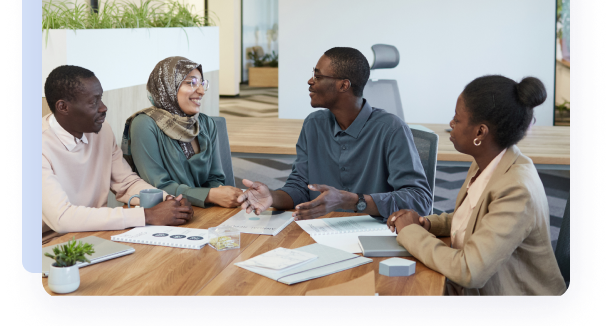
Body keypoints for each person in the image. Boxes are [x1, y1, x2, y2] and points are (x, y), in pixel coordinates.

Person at [387, 75, 567, 296]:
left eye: (457, 119)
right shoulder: (488, 162)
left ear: (480, 132)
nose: (451, 124)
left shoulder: (516, 188)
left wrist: (410, 231)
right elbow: (472, 218)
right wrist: (426, 224)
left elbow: (469, 270)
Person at [237, 47, 432, 221]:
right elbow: (300, 188)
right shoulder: (313, 124)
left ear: (343, 85)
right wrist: (272, 196)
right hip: (321, 231)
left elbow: (420, 200)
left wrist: (353, 201)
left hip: (376, 233)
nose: (310, 81)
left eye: (318, 76)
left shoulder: (391, 129)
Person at [42, 65, 194, 236]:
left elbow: (126, 183)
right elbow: (62, 218)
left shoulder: (102, 130)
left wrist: (167, 200)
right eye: (93, 102)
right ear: (63, 107)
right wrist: (147, 215)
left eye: (101, 99)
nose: (103, 107)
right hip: (45, 244)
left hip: (93, 234)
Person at [123, 56, 243, 208]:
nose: (201, 91)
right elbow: (157, 186)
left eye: (202, 83)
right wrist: (208, 195)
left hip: (208, 210)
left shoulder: (205, 123)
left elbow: (216, 177)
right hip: (164, 214)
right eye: (191, 83)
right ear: (167, 86)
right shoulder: (145, 124)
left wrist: (215, 194)